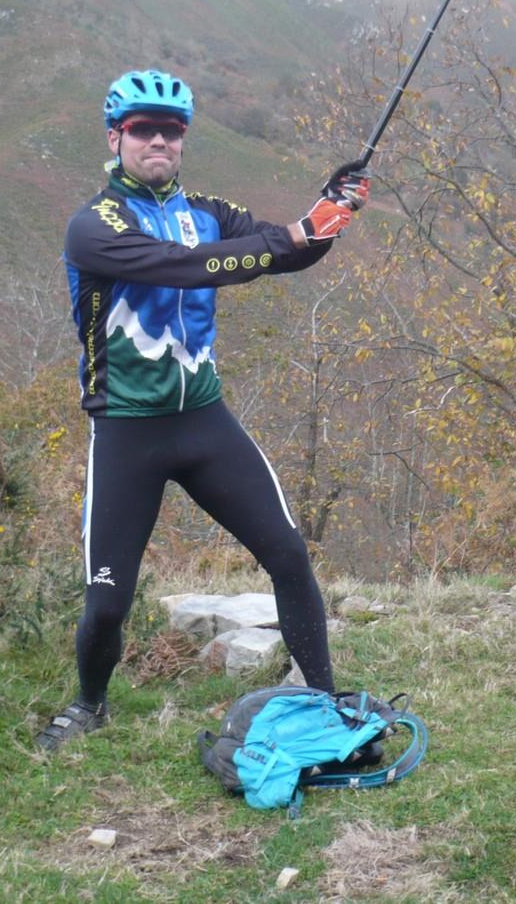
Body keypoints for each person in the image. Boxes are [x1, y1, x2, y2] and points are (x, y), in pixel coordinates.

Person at [37, 69, 370, 750]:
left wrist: (329, 216)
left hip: (205, 422)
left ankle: (324, 698)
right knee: (108, 601)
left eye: (172, 129)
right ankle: (90, 703)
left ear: (184, 139)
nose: (159, 140)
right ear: (115, 137)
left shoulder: (209, 210)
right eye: (143, 129)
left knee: (288, 554)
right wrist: (296, 233)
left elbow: (285, 253)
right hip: (126, 431)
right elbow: (182, 266)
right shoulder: (93, 226)